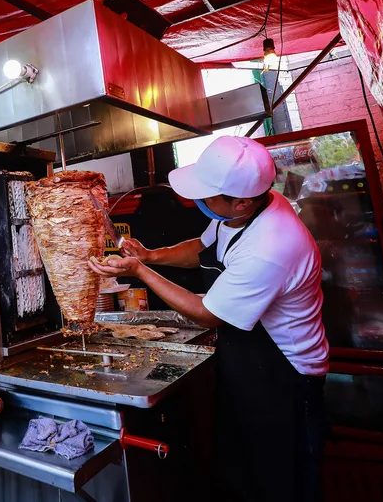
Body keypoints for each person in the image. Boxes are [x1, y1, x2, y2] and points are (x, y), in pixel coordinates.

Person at [89, 136, 328, 502]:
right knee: (241, 468)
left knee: (281, 479)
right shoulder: (247, 209)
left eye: (206, 195)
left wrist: (139, 271)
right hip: (248, 363)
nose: (195, 201)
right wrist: (151, 256)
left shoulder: (271, 245)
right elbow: (201, 248)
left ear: (241, 201)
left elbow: (208, 314)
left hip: (286, 376)